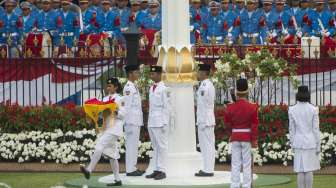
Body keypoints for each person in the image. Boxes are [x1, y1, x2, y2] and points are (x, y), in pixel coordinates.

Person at [80, 77, 126, 187]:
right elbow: (100, 112)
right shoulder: (105, 99)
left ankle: (89, 170)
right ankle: (117, 180)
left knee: (99, 145)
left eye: (110, 86)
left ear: (116, 87)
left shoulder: (120, 98)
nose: (108, 87)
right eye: (107, 85)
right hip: (106, 128)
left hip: (114, 129)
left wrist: (115, 111)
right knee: (112, 155)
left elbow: (124, 114)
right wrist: (91, 115)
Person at [224, 77, 259, 188]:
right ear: (247, 91)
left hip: (235, 136)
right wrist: (254, 139)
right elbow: (254, 125)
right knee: (247, 164)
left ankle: (234, 185)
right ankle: (246, 186)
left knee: (235, 164)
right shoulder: (252, 107)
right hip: (247, 137)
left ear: (237, 91)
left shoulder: (230, 107)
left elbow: (227, 124)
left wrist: (231, 134)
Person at [288, 86, 320, 188]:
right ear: (308, 94)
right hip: (310, 142)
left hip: (298, 142)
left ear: (298, 94)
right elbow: (316, 129)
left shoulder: (292, 109)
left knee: (300, 170)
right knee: (309, 170)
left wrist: (292, 143)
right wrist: (318, 145)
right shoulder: (313, 109)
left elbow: (292, 130)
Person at [145, 65, 171, 180]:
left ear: (160, 74)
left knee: (162, 146)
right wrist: (149, 121)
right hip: (152, 121)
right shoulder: (151, 88)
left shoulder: (164, 88)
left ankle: (162, 170)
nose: (152, 75)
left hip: (160, 121)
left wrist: (165, 123)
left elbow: (167, 107)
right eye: (151, 74)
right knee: (155, 147)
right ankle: (156, 169)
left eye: (154, 74)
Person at [123, 64, 145, 176]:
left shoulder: (133, 86)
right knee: (131, 145)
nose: (138, 74)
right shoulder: (128, 87)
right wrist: (127, 123)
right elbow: (126, 106)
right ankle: (130, 169)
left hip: (135, 120)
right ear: (130, 74)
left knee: (134, 145)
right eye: (136, 72)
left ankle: (133, 167)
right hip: (131, 121)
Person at [194, 64, 216, 177]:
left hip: (205, 120)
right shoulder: (204, 84)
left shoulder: (206, 86)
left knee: (207, 145)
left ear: (203, 73)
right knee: (205, 145)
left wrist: (202, 121)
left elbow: (205, 105)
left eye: (199, 72)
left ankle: (208, 169)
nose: (197, 74)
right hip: (204, 119)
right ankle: (207, 168)